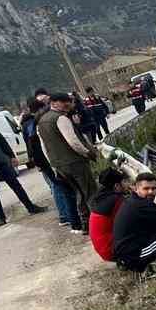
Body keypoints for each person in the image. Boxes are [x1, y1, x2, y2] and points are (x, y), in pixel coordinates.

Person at [37, 92, 99, 233]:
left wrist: (53, 164)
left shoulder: (41, 121)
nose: (69, 104)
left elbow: (44, 147)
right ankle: (97, 224)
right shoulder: (61, 119)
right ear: (55, 103)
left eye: (69, 102)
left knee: (79, 194)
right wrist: (88, 153)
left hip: (60, 166)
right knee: (90, 193)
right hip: (75, 162)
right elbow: (73, 142)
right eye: (65, 102)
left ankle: (86, 225)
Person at [22, 94, 77, 228]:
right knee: (60, 188)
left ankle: (66, 216)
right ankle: (67, 217)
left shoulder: (29, 123)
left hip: (43, 161)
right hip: (49, 161)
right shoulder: (37, 122)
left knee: (57, 187)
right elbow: (40, 145)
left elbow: (29, 144)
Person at [87, 168, 130, 262]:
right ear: (117, 186)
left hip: (103, 249)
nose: (128, 184)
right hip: (111, 251)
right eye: (125, 181)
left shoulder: (101, 197)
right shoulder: (117, 200)